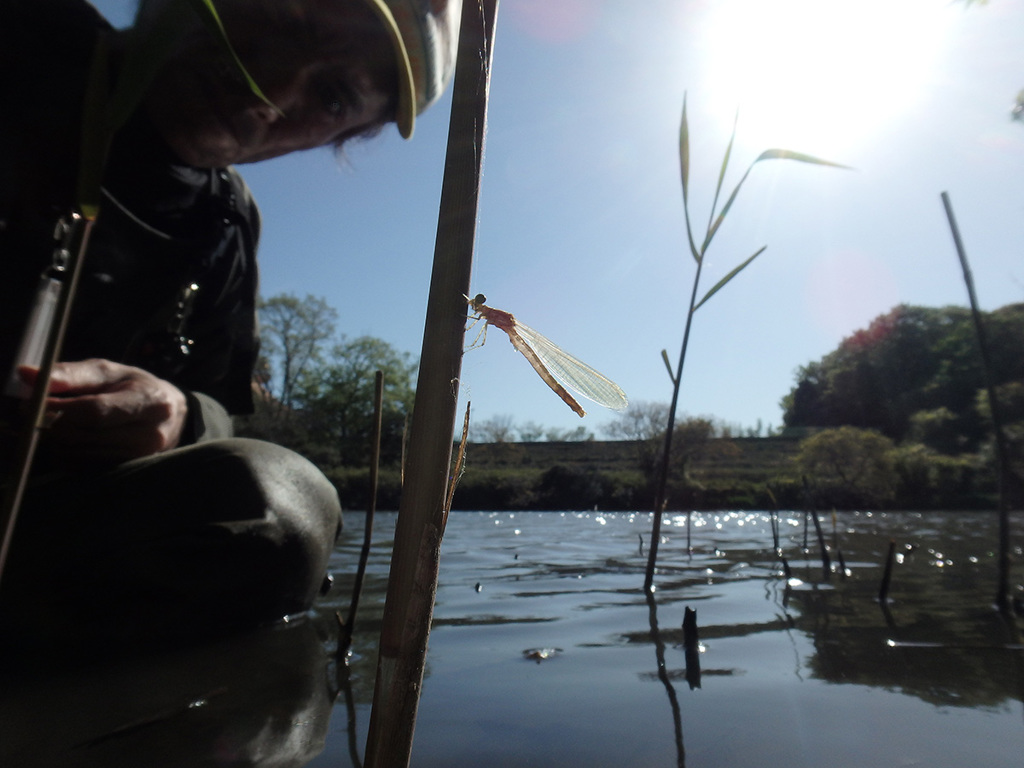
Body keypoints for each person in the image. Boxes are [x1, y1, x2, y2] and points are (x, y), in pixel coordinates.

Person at [0, 0, 461, 648]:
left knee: (286, 504)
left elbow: (216, 404)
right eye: (287, 21)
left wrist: (177, 415)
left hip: (33, 534)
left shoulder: (226, 227)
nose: (269, 90)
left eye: (331, 98)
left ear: (331, 140)